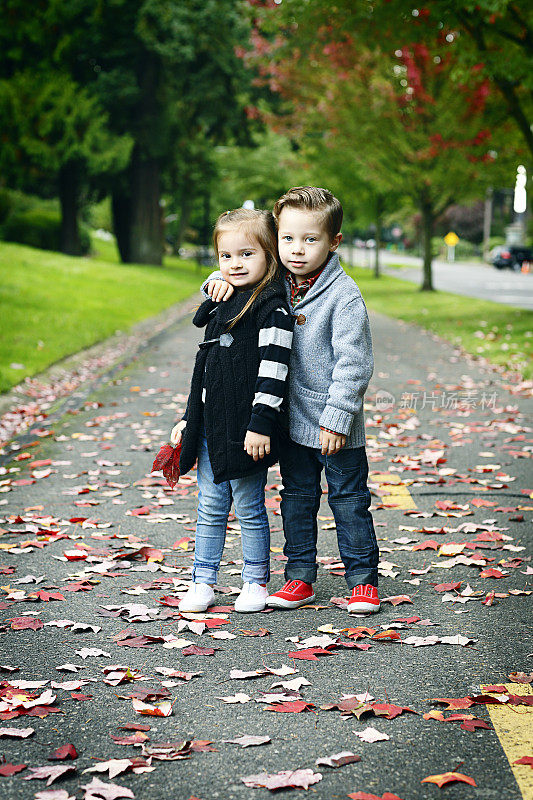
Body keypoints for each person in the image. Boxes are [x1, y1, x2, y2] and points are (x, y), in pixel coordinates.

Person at [205, 188, 379, 614]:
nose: (297, 250)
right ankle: (299, 577)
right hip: (291, 422)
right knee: (297, 499)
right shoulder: (275, 282)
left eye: (310, 240)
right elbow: (240, 268)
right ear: (276, 238)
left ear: (333, 241)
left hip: (335, 425)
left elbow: (354, 364)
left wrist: (338, 419)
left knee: (348, 501)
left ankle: (363, 581)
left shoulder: (344, 296)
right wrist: (216, 280)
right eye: (287, 239)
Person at [170, 208, 293, 614]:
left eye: (246, 254)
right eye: (226, 256)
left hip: (247, 430)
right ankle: (202, 581)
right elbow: (204, 369)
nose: (235, 264)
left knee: (250, 506)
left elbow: (274, 373)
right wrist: (189, 418)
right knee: (210, 505)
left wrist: (261, 425)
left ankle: (255, 580)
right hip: (210, 425)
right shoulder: (222, 299)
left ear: (270, 255)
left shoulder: (272, 308)